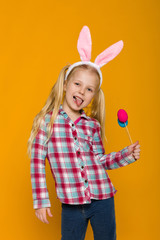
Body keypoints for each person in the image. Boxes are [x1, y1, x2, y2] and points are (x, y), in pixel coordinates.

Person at [27, 25, 141, 240]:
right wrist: (41, 200)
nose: (81, 91)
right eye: (77, 84)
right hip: (71, 203)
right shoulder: (46, 122)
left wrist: (127, 154)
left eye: (89, 89)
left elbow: (101, 160)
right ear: (66, 84)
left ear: (93, 96)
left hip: (103, 198)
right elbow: (36, 162)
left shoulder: (92, 125)